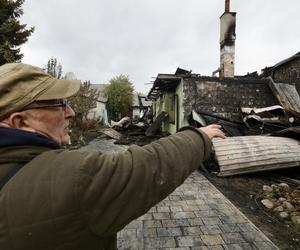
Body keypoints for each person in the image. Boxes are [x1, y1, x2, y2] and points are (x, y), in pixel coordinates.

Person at [0, 63, 225, 250]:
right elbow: (147, 167)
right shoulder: (72, 177)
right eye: (59, 104)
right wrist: (199, 136)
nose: (71, 112)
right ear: (20, 122)